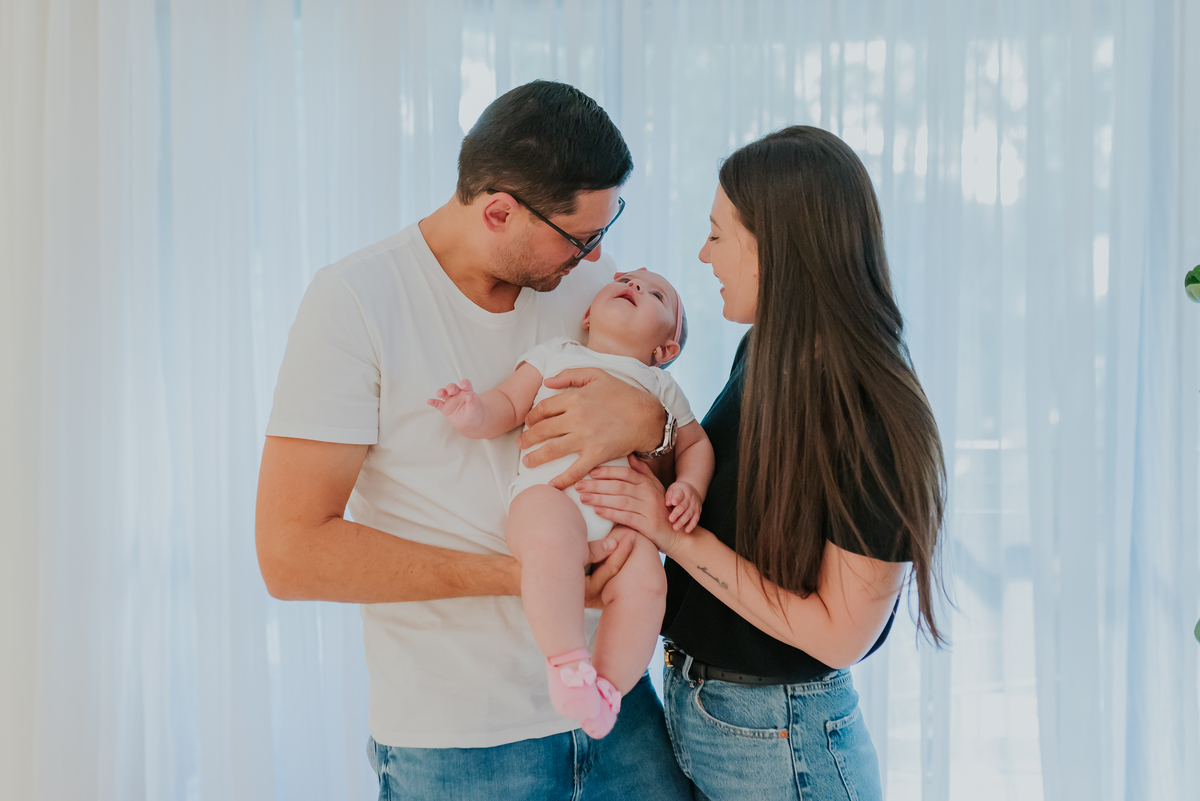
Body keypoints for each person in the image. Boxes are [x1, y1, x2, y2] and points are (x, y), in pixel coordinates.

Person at [255, 80, 693, 799]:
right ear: (499, 211)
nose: (596, 259)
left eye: (604, 233)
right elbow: (291, 554)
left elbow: (669, 448)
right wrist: (529, 574)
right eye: (581, 238)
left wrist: (652, 425)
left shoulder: (589, 289)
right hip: (460, 744)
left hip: (619, 714)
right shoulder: (356, 302)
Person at [577, 125, 948, 800]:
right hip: (706, 711)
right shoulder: (767, 353)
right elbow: (738, 509)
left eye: (717, 234)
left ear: (775, 245)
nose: (704, 254)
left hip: (784, 741)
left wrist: (670, 536)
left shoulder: (868, 409)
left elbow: (838, 634)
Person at [429, 269, 714, 738]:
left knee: (648, 586)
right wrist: (474, 413)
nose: (634, 286)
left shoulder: (660, 388)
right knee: (552, 545)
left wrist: (691, 487)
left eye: (656, 294)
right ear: (587, 315)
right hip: (550, 495)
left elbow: (695, 443)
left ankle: (606, 691)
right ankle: (567, 664)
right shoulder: (555, 354)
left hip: (624, 521)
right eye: (627, 280)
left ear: (665, 351)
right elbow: (509, 403)